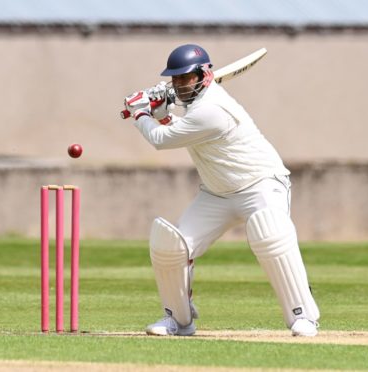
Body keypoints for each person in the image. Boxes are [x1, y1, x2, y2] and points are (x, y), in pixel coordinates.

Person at [123, 45, 320, 337]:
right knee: (172, 247)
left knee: (270, 232)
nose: (178, 85)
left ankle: (303, 316)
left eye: (184, 78)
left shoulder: (212, 109)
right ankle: (179, 319)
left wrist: (140, 113)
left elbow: (162, 140)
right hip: (216, 193)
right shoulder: (196, 109)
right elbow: (187, 131)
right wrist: (163, 114)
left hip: (260, 184)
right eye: (174, 79)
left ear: (204, 75)